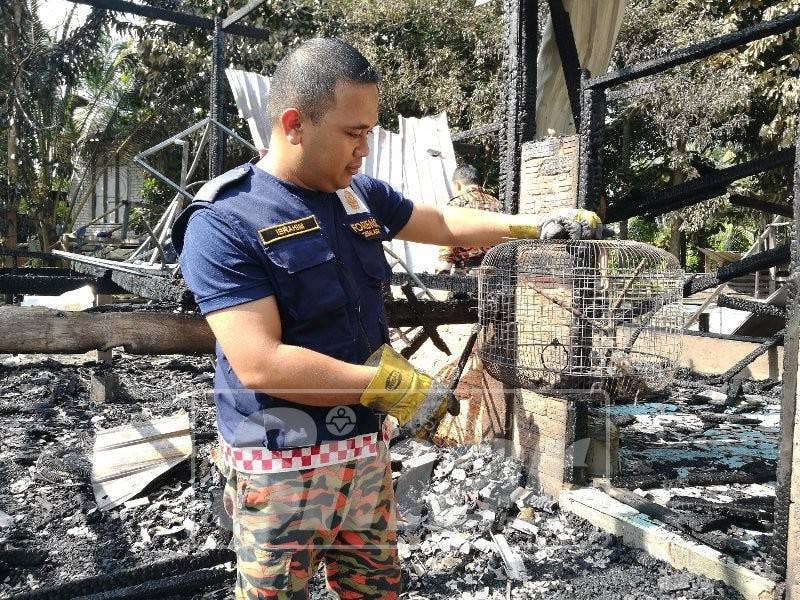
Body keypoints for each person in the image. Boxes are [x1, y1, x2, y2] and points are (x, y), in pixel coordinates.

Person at [171, 38, 601, 600]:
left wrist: (534, 225)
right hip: (279, 468)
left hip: (363, 453)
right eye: (353, 133)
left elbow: (441, 222)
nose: (365, 149)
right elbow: (261, 363)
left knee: (375, 591)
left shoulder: (356, 195)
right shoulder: (224, 220)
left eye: (370, 131)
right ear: (295, 125)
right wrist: (400, 389)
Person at [437, 164, 500, 273]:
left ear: (457, 185)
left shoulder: (456, 204)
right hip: (492, 271)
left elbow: (447, 240)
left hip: (465, 272)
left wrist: (442, 271)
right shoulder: (497, 204)